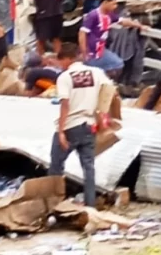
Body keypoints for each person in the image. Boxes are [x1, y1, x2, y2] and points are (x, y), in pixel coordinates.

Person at [49, 44, 110, 207]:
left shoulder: (65, 77)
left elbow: (65, 105)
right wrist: (102, 115)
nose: (60, 64)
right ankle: (90, 205)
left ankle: (54, 204)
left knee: (56, 166)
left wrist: (61, 131)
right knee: (89, 168)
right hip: (89, 125)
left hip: (71, 126)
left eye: (60, 60)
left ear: (67, 59)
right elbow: (109, 91)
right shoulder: (96, 73)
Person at [79, 0, 145, 77]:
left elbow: (122, 21)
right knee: (114, 64)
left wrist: (139, 25)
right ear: (105, 2)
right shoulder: (93, 15)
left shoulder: (109, 15)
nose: (115, 6)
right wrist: (84, 51)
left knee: (116, 64)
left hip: (101, 48)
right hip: (92, 50)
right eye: (113, 4)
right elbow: (82, 33)